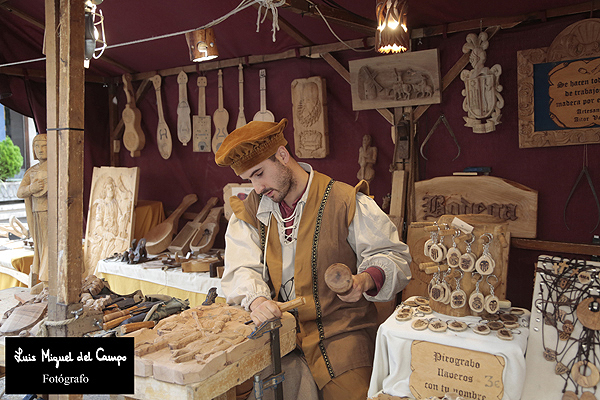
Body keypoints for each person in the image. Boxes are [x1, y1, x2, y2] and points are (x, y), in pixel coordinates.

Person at [215, 118, 411, 400]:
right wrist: (257, 300)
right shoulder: (250, 212)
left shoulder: (346, 200)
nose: (257, 187)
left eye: (259, 173)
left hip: (342, 335)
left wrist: (365, 279)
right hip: (278, 335)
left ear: (282, 155)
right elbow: (241, 267)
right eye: (250, 179)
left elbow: (393, 257)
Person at [17, 133, 48, 284]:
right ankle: (41, 280)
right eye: (37, 146)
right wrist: (31, 188)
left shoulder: (56, 167)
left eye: (44, 145)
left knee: (50, 246)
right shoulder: (32, 171)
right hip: (37, 213)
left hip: (52, 214)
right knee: (40, 247)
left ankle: (48, 280)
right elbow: (20, 192)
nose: (40, 149)